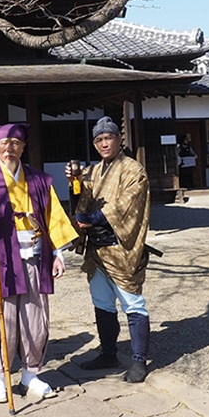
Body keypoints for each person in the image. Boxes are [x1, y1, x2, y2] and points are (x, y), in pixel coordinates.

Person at [0, 122, 78, 404]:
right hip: (1, 258)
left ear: (23, 147)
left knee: (36, 318)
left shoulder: (38, 180)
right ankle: (0, 376)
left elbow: (53, 215)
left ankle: (31, 373)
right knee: (3, 319)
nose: (9, 148)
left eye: (16, 143)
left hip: (34, 255)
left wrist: (58, 253)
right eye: (4, 143)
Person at [65, 117, 153, 383]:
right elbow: (82, 199)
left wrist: (92, 219)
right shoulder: (93, 171)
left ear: (119, 139)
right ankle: (108, 353)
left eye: (108, 138)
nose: (104, 143)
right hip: (96, 250)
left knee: (132, 303)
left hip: (121, 247)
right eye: (99, 140)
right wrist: (74, 182)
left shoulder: (133, 169)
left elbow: (127, 205)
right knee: (102, 303)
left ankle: (139, 361)